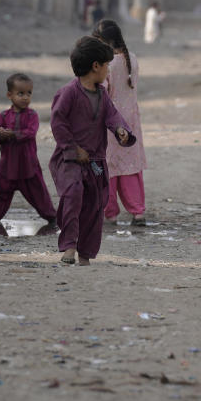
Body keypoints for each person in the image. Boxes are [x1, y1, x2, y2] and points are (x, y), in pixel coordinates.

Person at [50, 36, 135, 266]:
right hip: (70, 161)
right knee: (73, 195)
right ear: (95, 66)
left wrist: (120, 130)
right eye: (106, 66)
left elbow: (112, 115)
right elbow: (58, 123)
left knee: (95, 205)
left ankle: (85, 254)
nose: (108, 71)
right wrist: (73, 149)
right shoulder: (68, 93)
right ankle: (69, 247)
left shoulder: (102, 94)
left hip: (95, 161)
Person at [0, 73, 56, 229]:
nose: (25, 97)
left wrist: (13, 134)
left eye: (29, 93)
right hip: (7, 166)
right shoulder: (3, 116)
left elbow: (30, 133)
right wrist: (1, 134)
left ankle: (52, 218)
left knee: (39, 194)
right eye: (20, 93)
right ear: (10, 95)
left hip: (28, 166)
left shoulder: (32, 115)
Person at [93, 20, 148, 226]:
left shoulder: (107, 66)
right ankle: (138, 211)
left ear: (103, 41)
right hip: (131, 121)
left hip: (110, 122)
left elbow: (102, 92)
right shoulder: (132, 59)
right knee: (131, 167)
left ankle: (110, 214)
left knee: (110, 167)